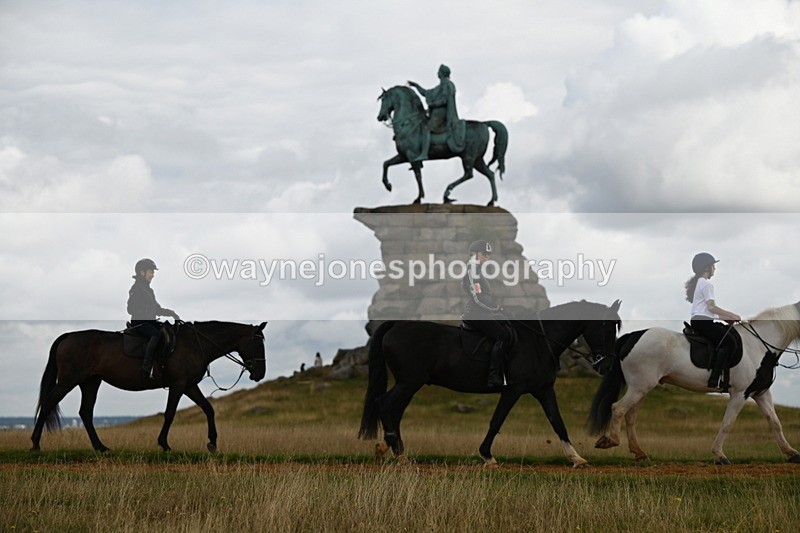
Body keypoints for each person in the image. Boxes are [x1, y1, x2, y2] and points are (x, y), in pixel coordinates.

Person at [685, 252, 741, 391]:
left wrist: (726, 318)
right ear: (706, 268)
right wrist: (732, 314)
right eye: (713, 266)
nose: (714, 269)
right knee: (728, 342)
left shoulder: (699, 283)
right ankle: (714, 379)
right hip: (703, 322)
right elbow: (712, 307)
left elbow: (707, 310)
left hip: (700, 320)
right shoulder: (707, 284)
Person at [461, 240, 512, 388]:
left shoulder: (478, 270)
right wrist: (496, 308)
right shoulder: (473, 270)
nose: (487, 257)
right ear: (475, 254)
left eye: (489, 254)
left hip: (483, 312)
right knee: (503, 337)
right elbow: (477, 298)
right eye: (484, 254)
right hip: (476, 314)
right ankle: (494, 376)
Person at [127, 258, 180, 379]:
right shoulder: (136, 289)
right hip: (139, 323)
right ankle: (147, 368)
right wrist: (146, 314)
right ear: (142, 272)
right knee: (156, 335)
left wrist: (172, 313)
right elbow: (130, 309)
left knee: (167, 331)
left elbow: (157, 309)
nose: (153, 275)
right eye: (151, 272)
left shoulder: (148, 290)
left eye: (153, 272)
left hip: (149, 322)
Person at [407, 64, 466, 161]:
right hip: (435, 114)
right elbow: (425, 93)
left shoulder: (447, 85)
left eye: (439, 71)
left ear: (442, 73)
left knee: (426, 128)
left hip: (441, 114)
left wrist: (433, 104)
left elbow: (444, 100)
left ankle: (424, 154)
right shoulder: (440, 86)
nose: (437, 73)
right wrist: (416, 86)